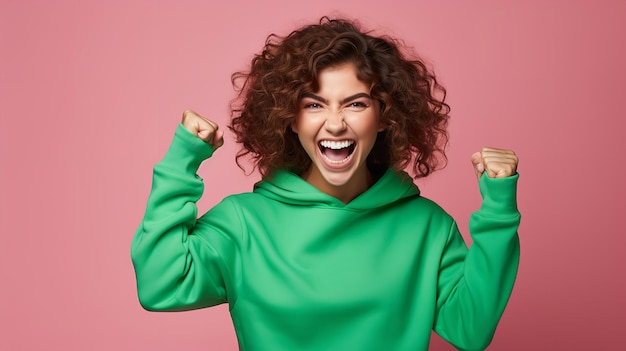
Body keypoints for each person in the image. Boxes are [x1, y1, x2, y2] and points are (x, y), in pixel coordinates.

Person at [131, 17, 520, 351]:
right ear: (290, 118)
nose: (335, 123)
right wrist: (182, 162)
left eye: (356, 103)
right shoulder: (244, 224)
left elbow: (470, 329)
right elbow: (161, 284)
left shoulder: (427, 227)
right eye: (314, 104)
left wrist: (499, 210)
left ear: (385, 117)